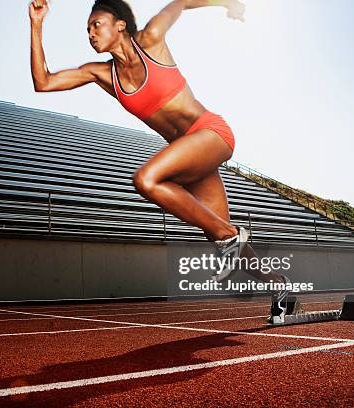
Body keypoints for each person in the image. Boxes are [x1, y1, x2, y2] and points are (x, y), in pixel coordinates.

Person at [29, 0, 290, 323]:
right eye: (87, 30)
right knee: (225, 242)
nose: (90, 34)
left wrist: (228, 3)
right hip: (188, 153)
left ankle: (232, 234)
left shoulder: (151, 38)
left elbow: (181, 2)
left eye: (96, 24)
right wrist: (37, 25)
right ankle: (280, 288)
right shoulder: (102, 74)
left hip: (211, 133)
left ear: (120, 24)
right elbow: (44, 82)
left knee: (147, 180)